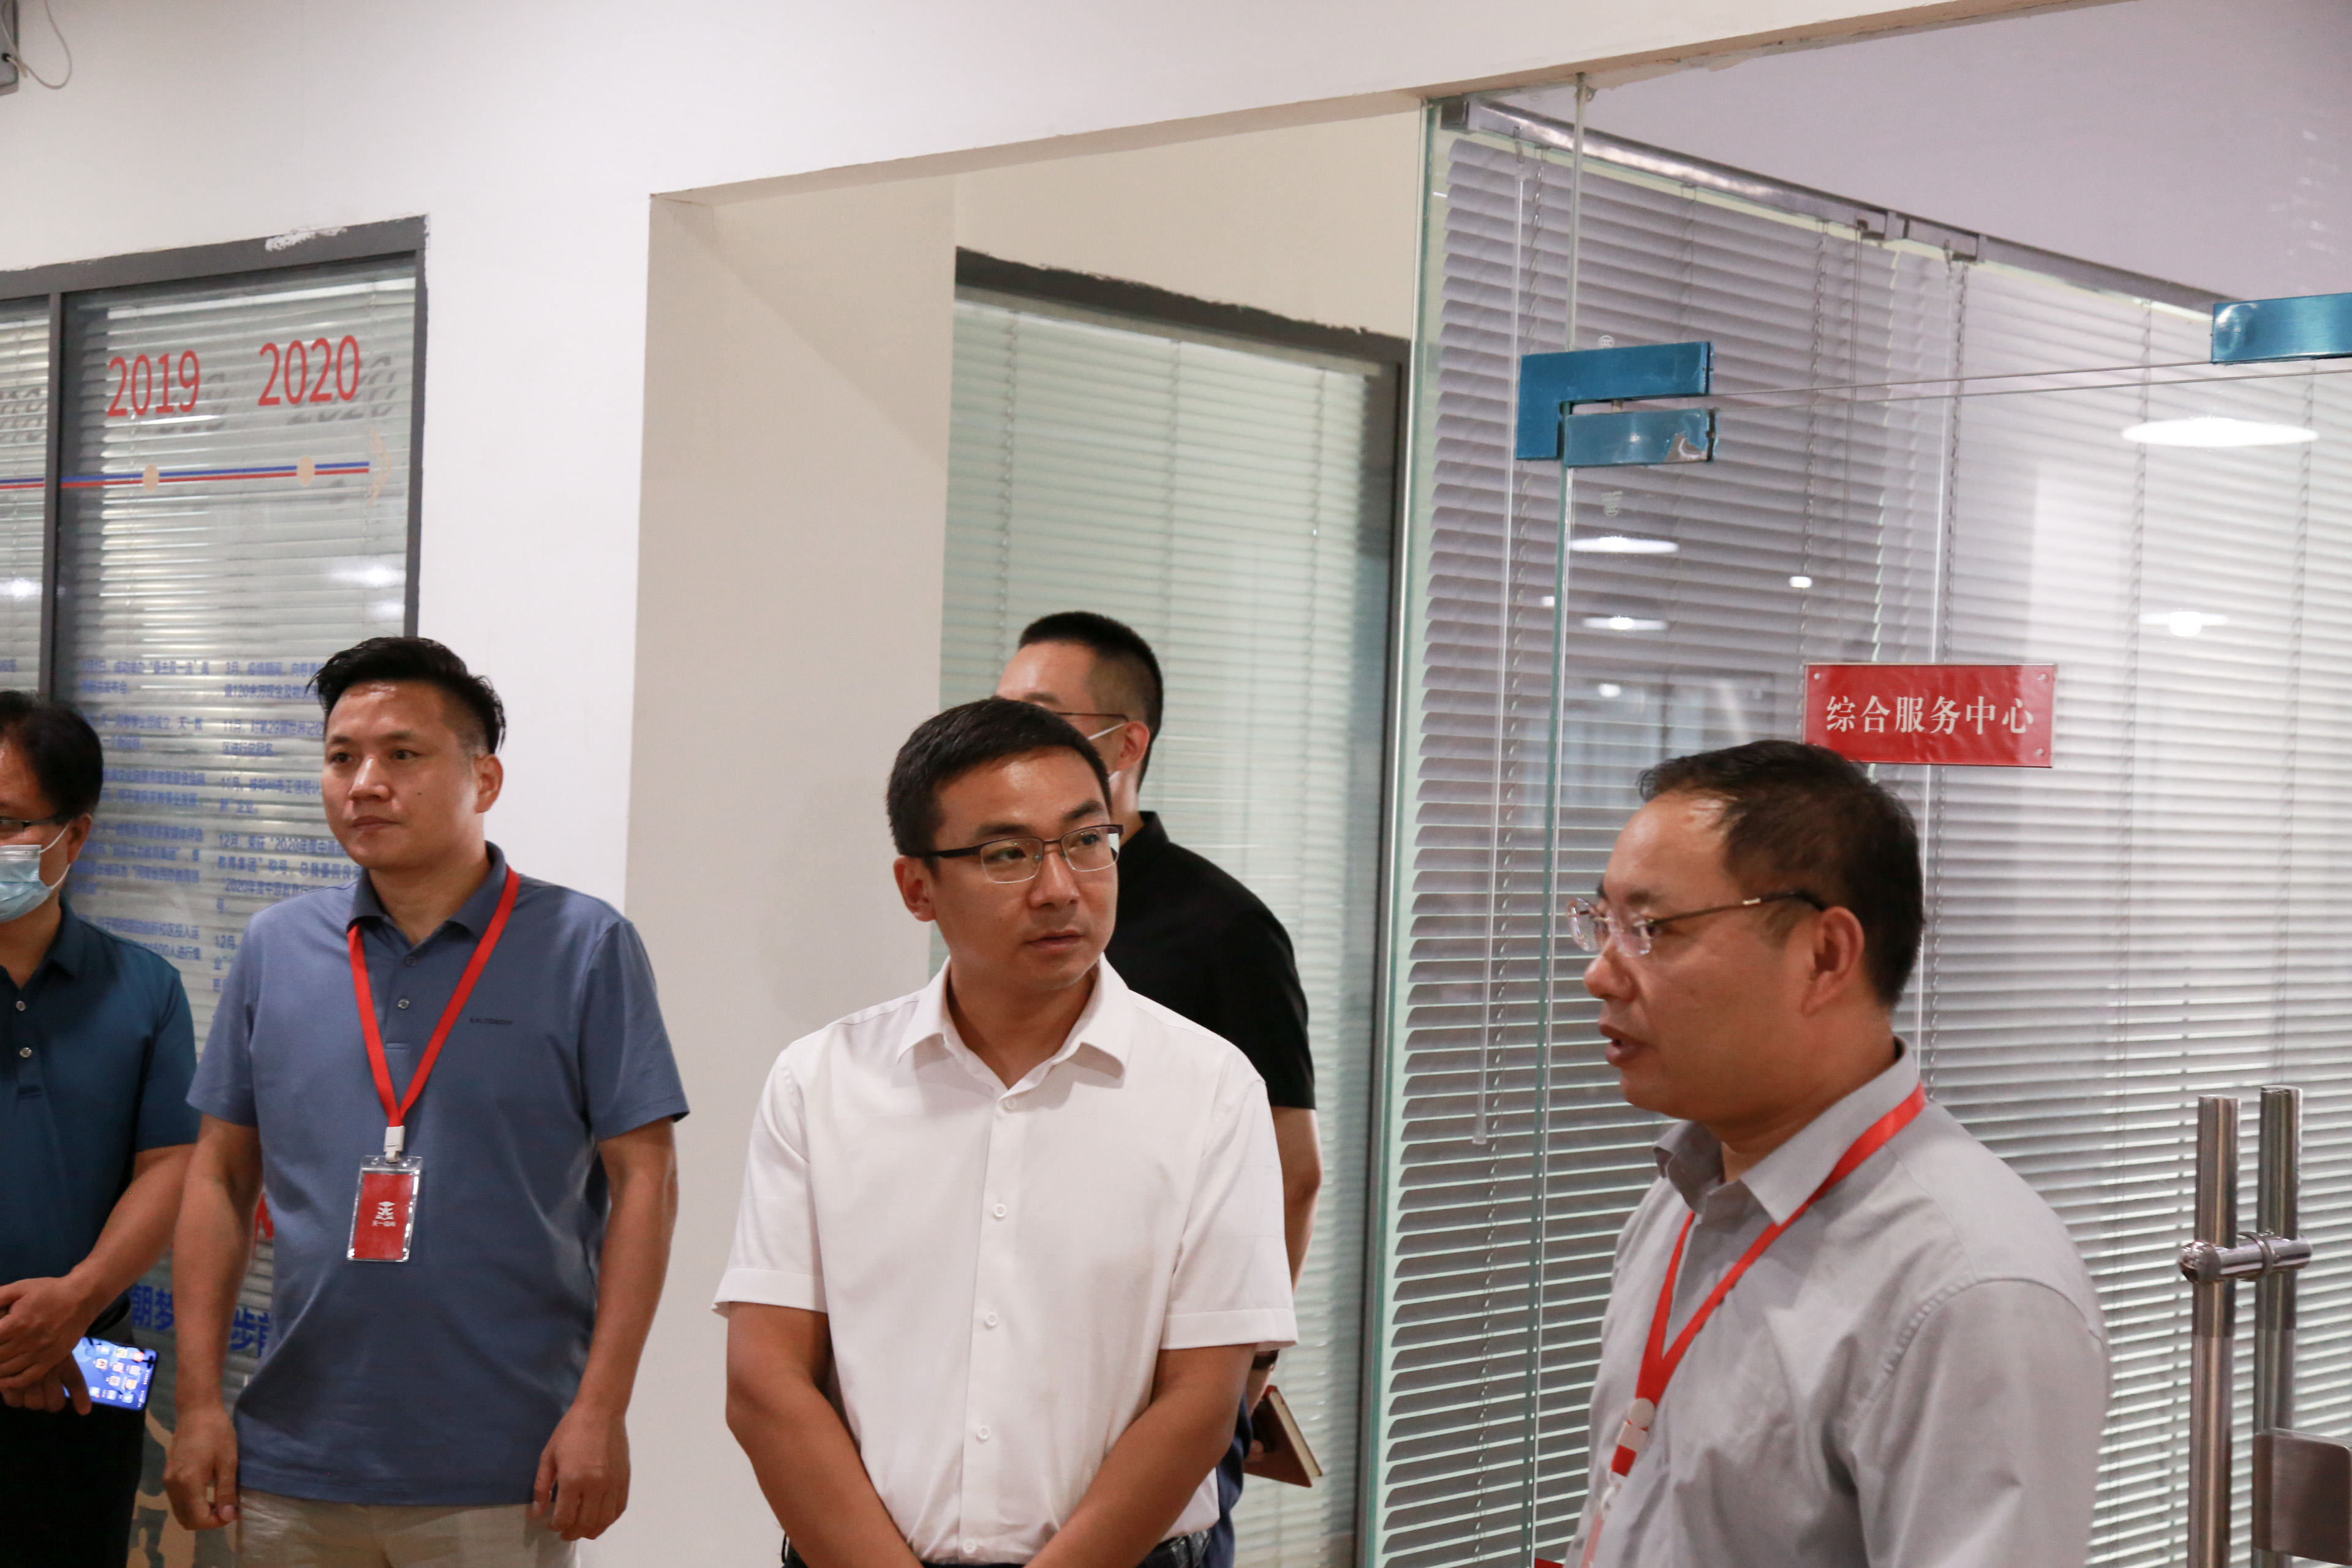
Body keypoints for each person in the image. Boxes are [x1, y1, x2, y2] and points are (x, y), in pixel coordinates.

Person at [720, 697, 1295, 1568]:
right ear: (918, 887)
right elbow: (766, 1384)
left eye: (1087, 841)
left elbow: (1203, 1401)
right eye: (1008, 855)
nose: (1059, 887)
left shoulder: (1211, 1089)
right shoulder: (821, 1082)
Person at [165, 636, 689, 1567]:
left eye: (402, 754)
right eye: (342, 757)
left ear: (484, 780)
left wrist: (602, 1410)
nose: (365, 784)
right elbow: (220, 1177)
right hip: (289, 1458)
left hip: (504, 1463)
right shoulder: (277, 946)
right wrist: (201, 1402)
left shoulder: (585, 946)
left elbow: (644, 1181)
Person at [1568, 739, 2108, 1568]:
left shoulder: (1971, 1290)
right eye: (1602, 922)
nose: (1601, 975)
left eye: (1650, 929)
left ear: (1824, 957)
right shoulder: (1686, 1194)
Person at [996, 612, 1319, 1566]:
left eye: (1040, 715)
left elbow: (1290, 1169)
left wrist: (1243, 1369)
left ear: (1124, 744)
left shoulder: (1221, 927)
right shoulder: (1006, 907)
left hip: (1162, 1388)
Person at [0, 693, 197, 1568]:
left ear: (73, 837)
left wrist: (75, 1303)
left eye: (5, 822)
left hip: (94, 1360)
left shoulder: (146, 990)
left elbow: (173, 1165)